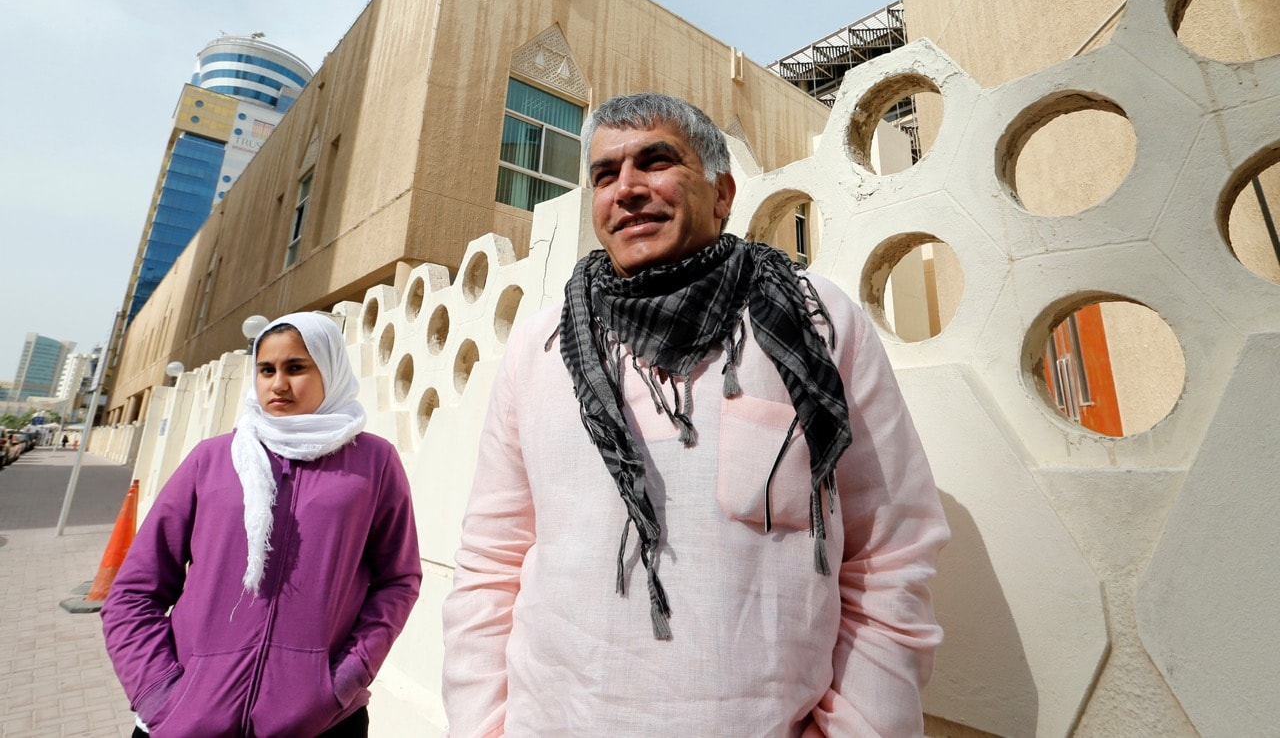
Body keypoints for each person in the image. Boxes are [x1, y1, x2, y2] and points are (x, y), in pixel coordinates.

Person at [442, 93, 950, 736]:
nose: (625, 189)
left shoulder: (815, 323)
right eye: (604, 174)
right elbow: (491, 561)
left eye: (655, 162)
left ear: (722, 191)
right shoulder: (540, 346)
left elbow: (889, 552)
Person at [102, 312, 421, 737]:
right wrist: (159, 693)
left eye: (296, 368)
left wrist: (344, 680)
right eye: (266, 370)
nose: (278, 384)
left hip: (320, 723)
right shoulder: (212, 459)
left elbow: (398, 579)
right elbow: (134, 590)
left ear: (330, 370)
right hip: (185, 720)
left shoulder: (373, 463)